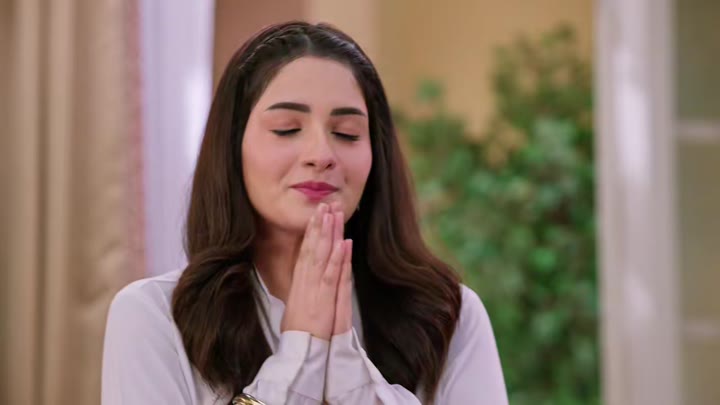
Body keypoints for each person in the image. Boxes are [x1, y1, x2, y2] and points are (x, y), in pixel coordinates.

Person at [101, 21, 508, 405]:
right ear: (232, 148)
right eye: (286, 129)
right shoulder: (153, 317)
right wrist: (299, 358)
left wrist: (353, 382)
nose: (321, 154)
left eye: (346, 133)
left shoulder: (448, 316)